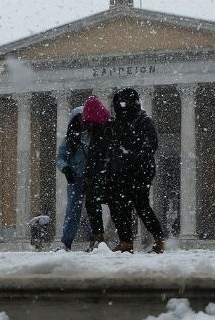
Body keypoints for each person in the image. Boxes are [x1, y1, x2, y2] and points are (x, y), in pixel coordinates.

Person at [107, 88, 165, 254]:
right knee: (121, 206)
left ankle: (159, 239)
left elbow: (151, 144)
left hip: (140, 170)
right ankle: (126, 242)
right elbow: (114, 145)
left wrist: (136, 157)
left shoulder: (143, 120)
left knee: (141, 205)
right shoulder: (119, 122)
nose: (120, 106)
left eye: (122, 102)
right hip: (122, 170)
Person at [80, 95, 113, 252]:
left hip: (104, 172)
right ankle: (100, 238)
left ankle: (105, 239)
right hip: (98, 172)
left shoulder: (106, 129)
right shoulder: (96, 129)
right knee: (94, 204)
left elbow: (103, 152)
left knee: (107, 204)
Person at [56, 107, 89, 251]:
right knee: (72, 211)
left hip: (90, 178)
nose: (82, 121)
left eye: (84, 118)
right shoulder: (70, 140)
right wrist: (65, 168)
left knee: (93, 210)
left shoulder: (92, 135)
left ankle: (94, 239)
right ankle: (66, 241)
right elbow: (60, 157)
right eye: (79, 118)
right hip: (75, 179)